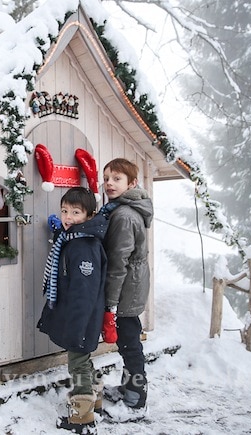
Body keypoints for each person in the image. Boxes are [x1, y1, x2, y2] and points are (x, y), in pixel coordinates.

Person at [37, 187, 108, 434]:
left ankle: (82, 418)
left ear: (89, 216)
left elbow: (84, 292)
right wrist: (58, 230)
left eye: (75, 212)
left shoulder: (84, 247)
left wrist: (77, 325)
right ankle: (94, 399)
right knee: (83, 360)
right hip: (81, 317)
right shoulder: (73, 239)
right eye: (65, 211)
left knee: (77, 364)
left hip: (82, 317)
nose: (68, 217)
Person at [99, 157, 153, 414]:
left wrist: (110, 303)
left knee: (130, 344)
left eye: (116, 179)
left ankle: (136, 401)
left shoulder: (123, 215)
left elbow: (117, 264)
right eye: (107, 178)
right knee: (129, 341)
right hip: (133, 284)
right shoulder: (124, 209)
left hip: (126, 289)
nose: (109, 183)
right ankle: (128, 389)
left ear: (132, 183)